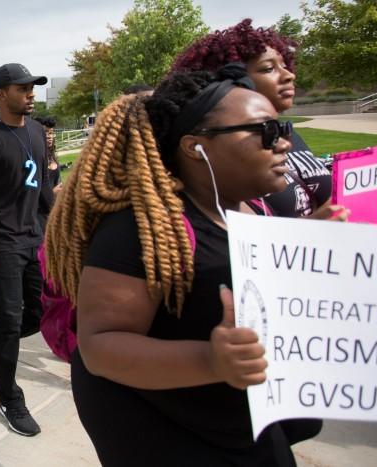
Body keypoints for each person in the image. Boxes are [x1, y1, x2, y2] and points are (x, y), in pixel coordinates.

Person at [44, 65, 323, 466]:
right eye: (266, 132)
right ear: (196, 147)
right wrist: (211, 359)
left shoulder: (250, 209)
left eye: (284, 130)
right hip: (168, 432)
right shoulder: (142, 229)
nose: (284, 144)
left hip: (242, 424)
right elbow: (100, 345)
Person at [171, 18, 345, 221]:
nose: (289, 75)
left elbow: (322, 197)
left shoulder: (286, 135)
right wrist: (308, 233)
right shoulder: (224, 157)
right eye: (268, 69)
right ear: (226, 80)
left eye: (284, 65)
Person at [0, 63, 53, 437]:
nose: (31, 93)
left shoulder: (36, 131)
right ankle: (9, 396)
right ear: (2, 94)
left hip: (36, 237)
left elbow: (45, 188)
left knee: (41, 313)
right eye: (23, 88)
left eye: (32, 87)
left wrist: (54, 232)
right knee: (13, 318)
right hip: (1, 243)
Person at [34, 116, 61, 195]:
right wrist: (52, 193)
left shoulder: (53, 156)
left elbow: (58, 183)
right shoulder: (33, 157)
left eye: (51, 133)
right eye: (45, 132)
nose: (49, 136)